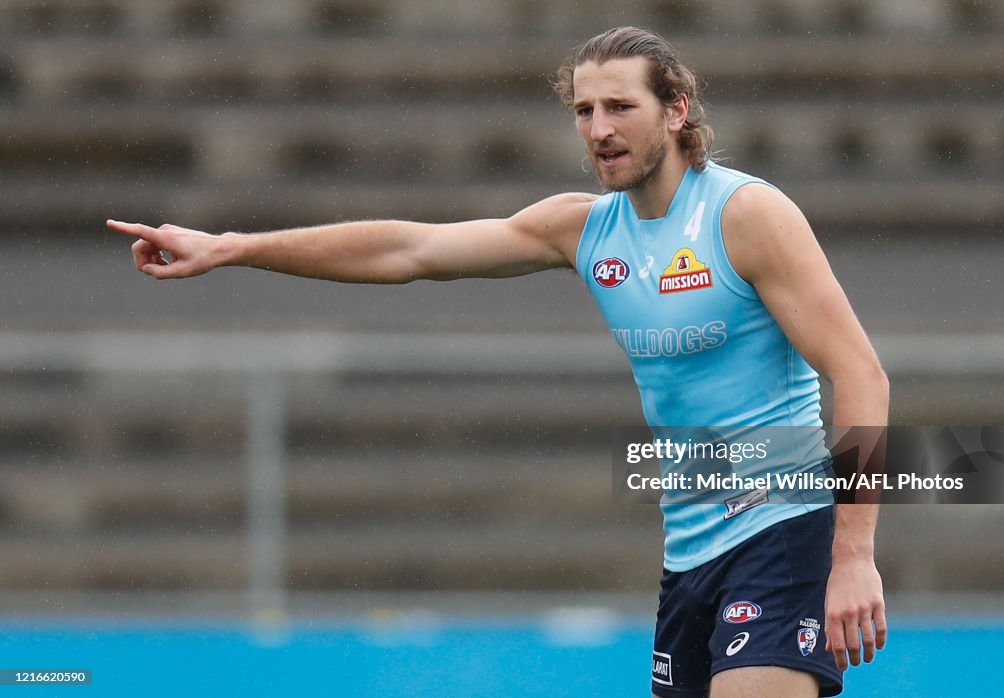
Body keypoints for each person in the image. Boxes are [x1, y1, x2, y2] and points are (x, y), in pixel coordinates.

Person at [108, 26, 888, 698]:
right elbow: (409, 248)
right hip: (690, 555)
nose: (598, 128)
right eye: (584, 110)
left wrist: (851, 557)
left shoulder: (744, 215)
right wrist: (235, 247)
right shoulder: (582, 229)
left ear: (677, 111)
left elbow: (861, 375)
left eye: (621, 106)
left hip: (784, 532)